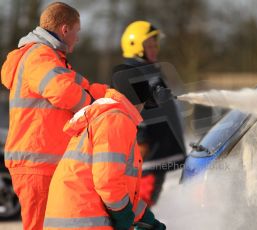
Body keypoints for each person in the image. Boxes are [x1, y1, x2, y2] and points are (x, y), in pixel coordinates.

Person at [0, 2, 106, 229]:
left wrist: (111, 95)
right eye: (77, 32)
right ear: (65, 29)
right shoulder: (40, 55)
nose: (78, 38)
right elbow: (63, 91)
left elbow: (82, 86)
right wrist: (93, 107)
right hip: (37, 163)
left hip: (41, 162)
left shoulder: (52, 59)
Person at [44, 88, 166, 230]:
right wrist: (123, 217)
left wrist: (146, 218)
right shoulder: (116, 119)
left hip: (75, 218)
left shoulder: (105, 117)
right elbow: (108, 181)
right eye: (145, 103)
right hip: (85, 222)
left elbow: (120, 188)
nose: (143, 108)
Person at [112, 21, 186, 207]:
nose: (154, 49)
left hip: (157, 153)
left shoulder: (149, 71)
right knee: (141, 205)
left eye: (155, 45)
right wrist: (141, 140)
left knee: (145, 204)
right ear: (135, 46)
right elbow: (130, 108)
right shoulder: (132, 74)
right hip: (148, 156)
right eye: (149, 45)